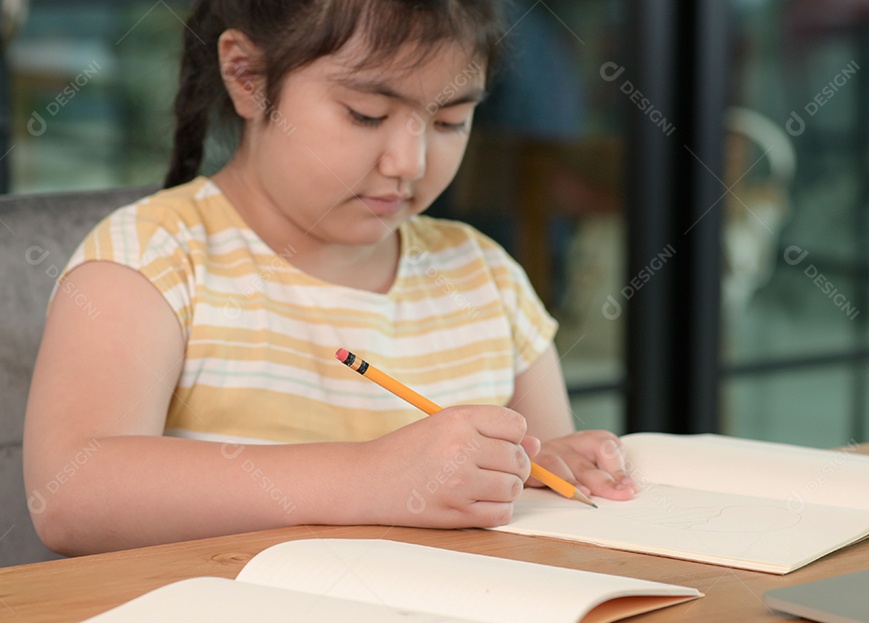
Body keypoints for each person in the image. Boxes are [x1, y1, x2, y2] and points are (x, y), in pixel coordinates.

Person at [23, 0, 636, 556]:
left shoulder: (484, 279)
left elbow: (548, 498)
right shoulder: (152, 260)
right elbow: (72, 494)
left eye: (450, 121)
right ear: (248, 77)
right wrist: (370, 478)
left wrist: (547, 466)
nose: (409, 163)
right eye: (366, 115)